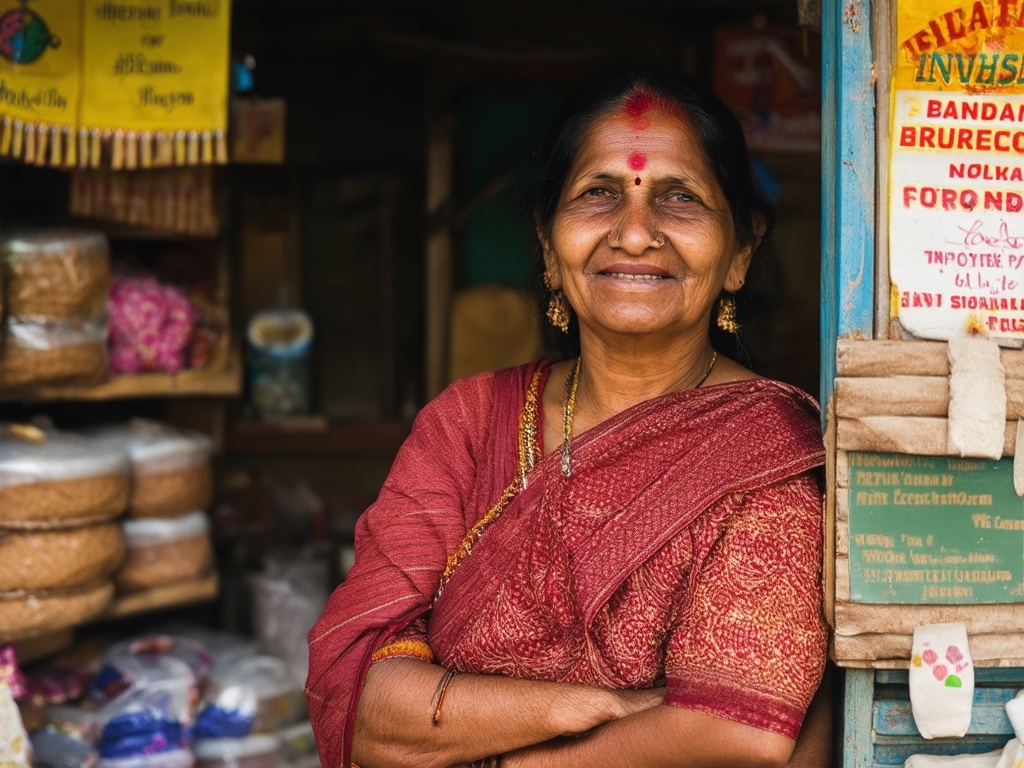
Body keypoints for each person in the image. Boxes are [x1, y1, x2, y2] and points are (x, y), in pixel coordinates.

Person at [306, 63, 829, 768]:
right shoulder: (467, 424)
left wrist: (493, 744)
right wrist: (596, 707)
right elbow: (366, 703)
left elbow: (736, 734)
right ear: (550, 248)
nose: (636, 234)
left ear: (739, 252)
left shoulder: (765, 450)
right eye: (598, 195)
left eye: (680, 199)